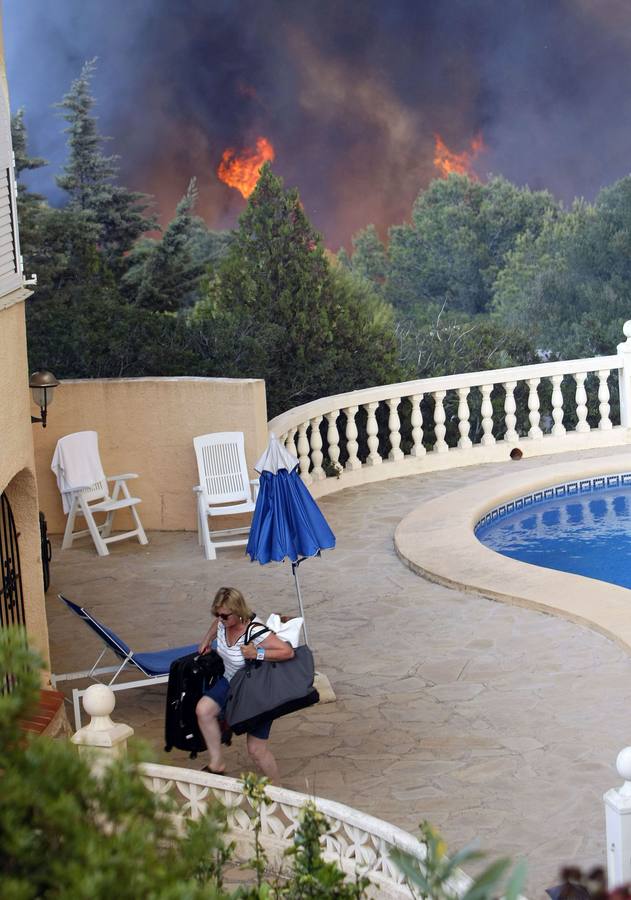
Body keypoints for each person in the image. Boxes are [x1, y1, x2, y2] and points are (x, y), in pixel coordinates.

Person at [196, 586, 294, 783]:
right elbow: (216, 624)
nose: (220, 618)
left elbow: (287, 652)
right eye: (217, 613)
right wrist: (206, 639)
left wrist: (256, 653)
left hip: (254, 691)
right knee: (203, 710)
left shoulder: (256, 631)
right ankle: (217, 764)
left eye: (224, 615)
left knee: (256, 750)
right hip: (231, 681)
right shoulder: (223, 622)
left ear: (238, 612)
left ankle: (278, 788)